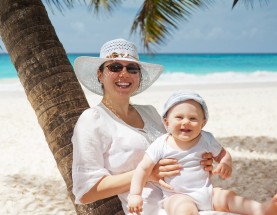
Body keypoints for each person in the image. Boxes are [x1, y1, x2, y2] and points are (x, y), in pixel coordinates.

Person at [71, 39, 215, 215]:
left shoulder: (150, 112)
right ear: (100, 74)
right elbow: (86, 192)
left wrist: (200, 157)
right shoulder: (92, 120)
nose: (124, 74)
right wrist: (147, 173)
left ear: (138, 76)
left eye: (132, 68)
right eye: (115, 67)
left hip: (190, 200)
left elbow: (176, 148)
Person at [128, 91, 277, 215]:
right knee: (184, 210)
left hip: (207, 192)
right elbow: (143, 169)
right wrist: (135, 194)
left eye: (193, 118)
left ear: (203, 124)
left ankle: (261, 210)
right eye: (179, 117)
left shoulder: (206, 139)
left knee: (228, 196)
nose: (186, 122)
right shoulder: (161, 144)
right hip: (176, 196)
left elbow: (223, 154)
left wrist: (225, 163)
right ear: (167, 122)